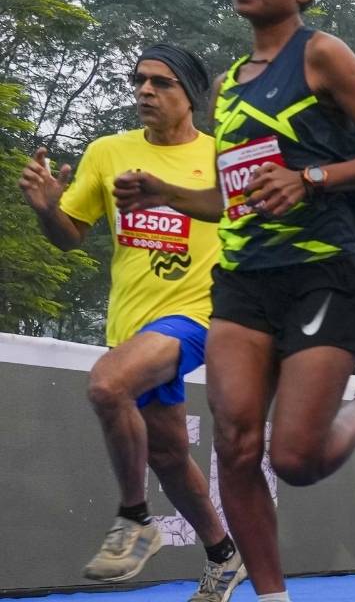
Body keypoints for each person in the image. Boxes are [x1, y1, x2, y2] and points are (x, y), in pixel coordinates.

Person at [113, 0, 355, 602]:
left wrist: (309, 178)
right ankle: (271, 597)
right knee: (234, 445)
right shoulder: (229, 86)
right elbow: (232, 199)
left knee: (295, 459)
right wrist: (164, 192)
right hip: (243, 281)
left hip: (322, 274)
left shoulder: (322, 55)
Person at [18, 45, 245, 600]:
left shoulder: (221, 156)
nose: (145, 90)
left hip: (199, 314)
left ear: (190, 94)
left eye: (161, 82)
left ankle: (134, 518)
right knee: (167, 455)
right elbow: (70, 236)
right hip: (131, 328)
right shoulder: (108, 151)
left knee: (106, 384)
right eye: (139, 80)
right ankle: (224, 556)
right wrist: (48, 210)